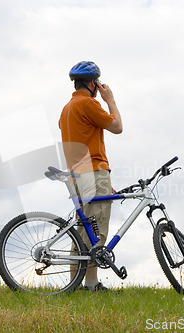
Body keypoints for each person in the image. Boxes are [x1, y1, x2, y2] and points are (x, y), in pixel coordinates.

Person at [59, 61, 123, 291]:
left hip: (77, 175)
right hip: (94, 171)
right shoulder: (89, 103)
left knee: (83, 231)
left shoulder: (67, 108)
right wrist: (110, 100)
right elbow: (117, 126)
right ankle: (92, 284)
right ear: (93, 83)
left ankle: (76, 285)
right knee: (97, 231)